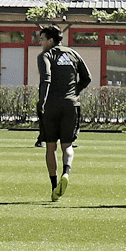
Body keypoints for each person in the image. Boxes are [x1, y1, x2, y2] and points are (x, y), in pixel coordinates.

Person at [36, 24, 91, 201]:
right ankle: (66, 173)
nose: (41, 43)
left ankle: (54, 187)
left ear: (51, 40)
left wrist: (41, 102)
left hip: (51, 105)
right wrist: (74, 92)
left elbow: (46, 79)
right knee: (67, 145)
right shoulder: (73, 54)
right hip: (70, 105)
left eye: (42, 39)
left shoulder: (46, 55)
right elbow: (87, 78)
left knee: (50, 146)